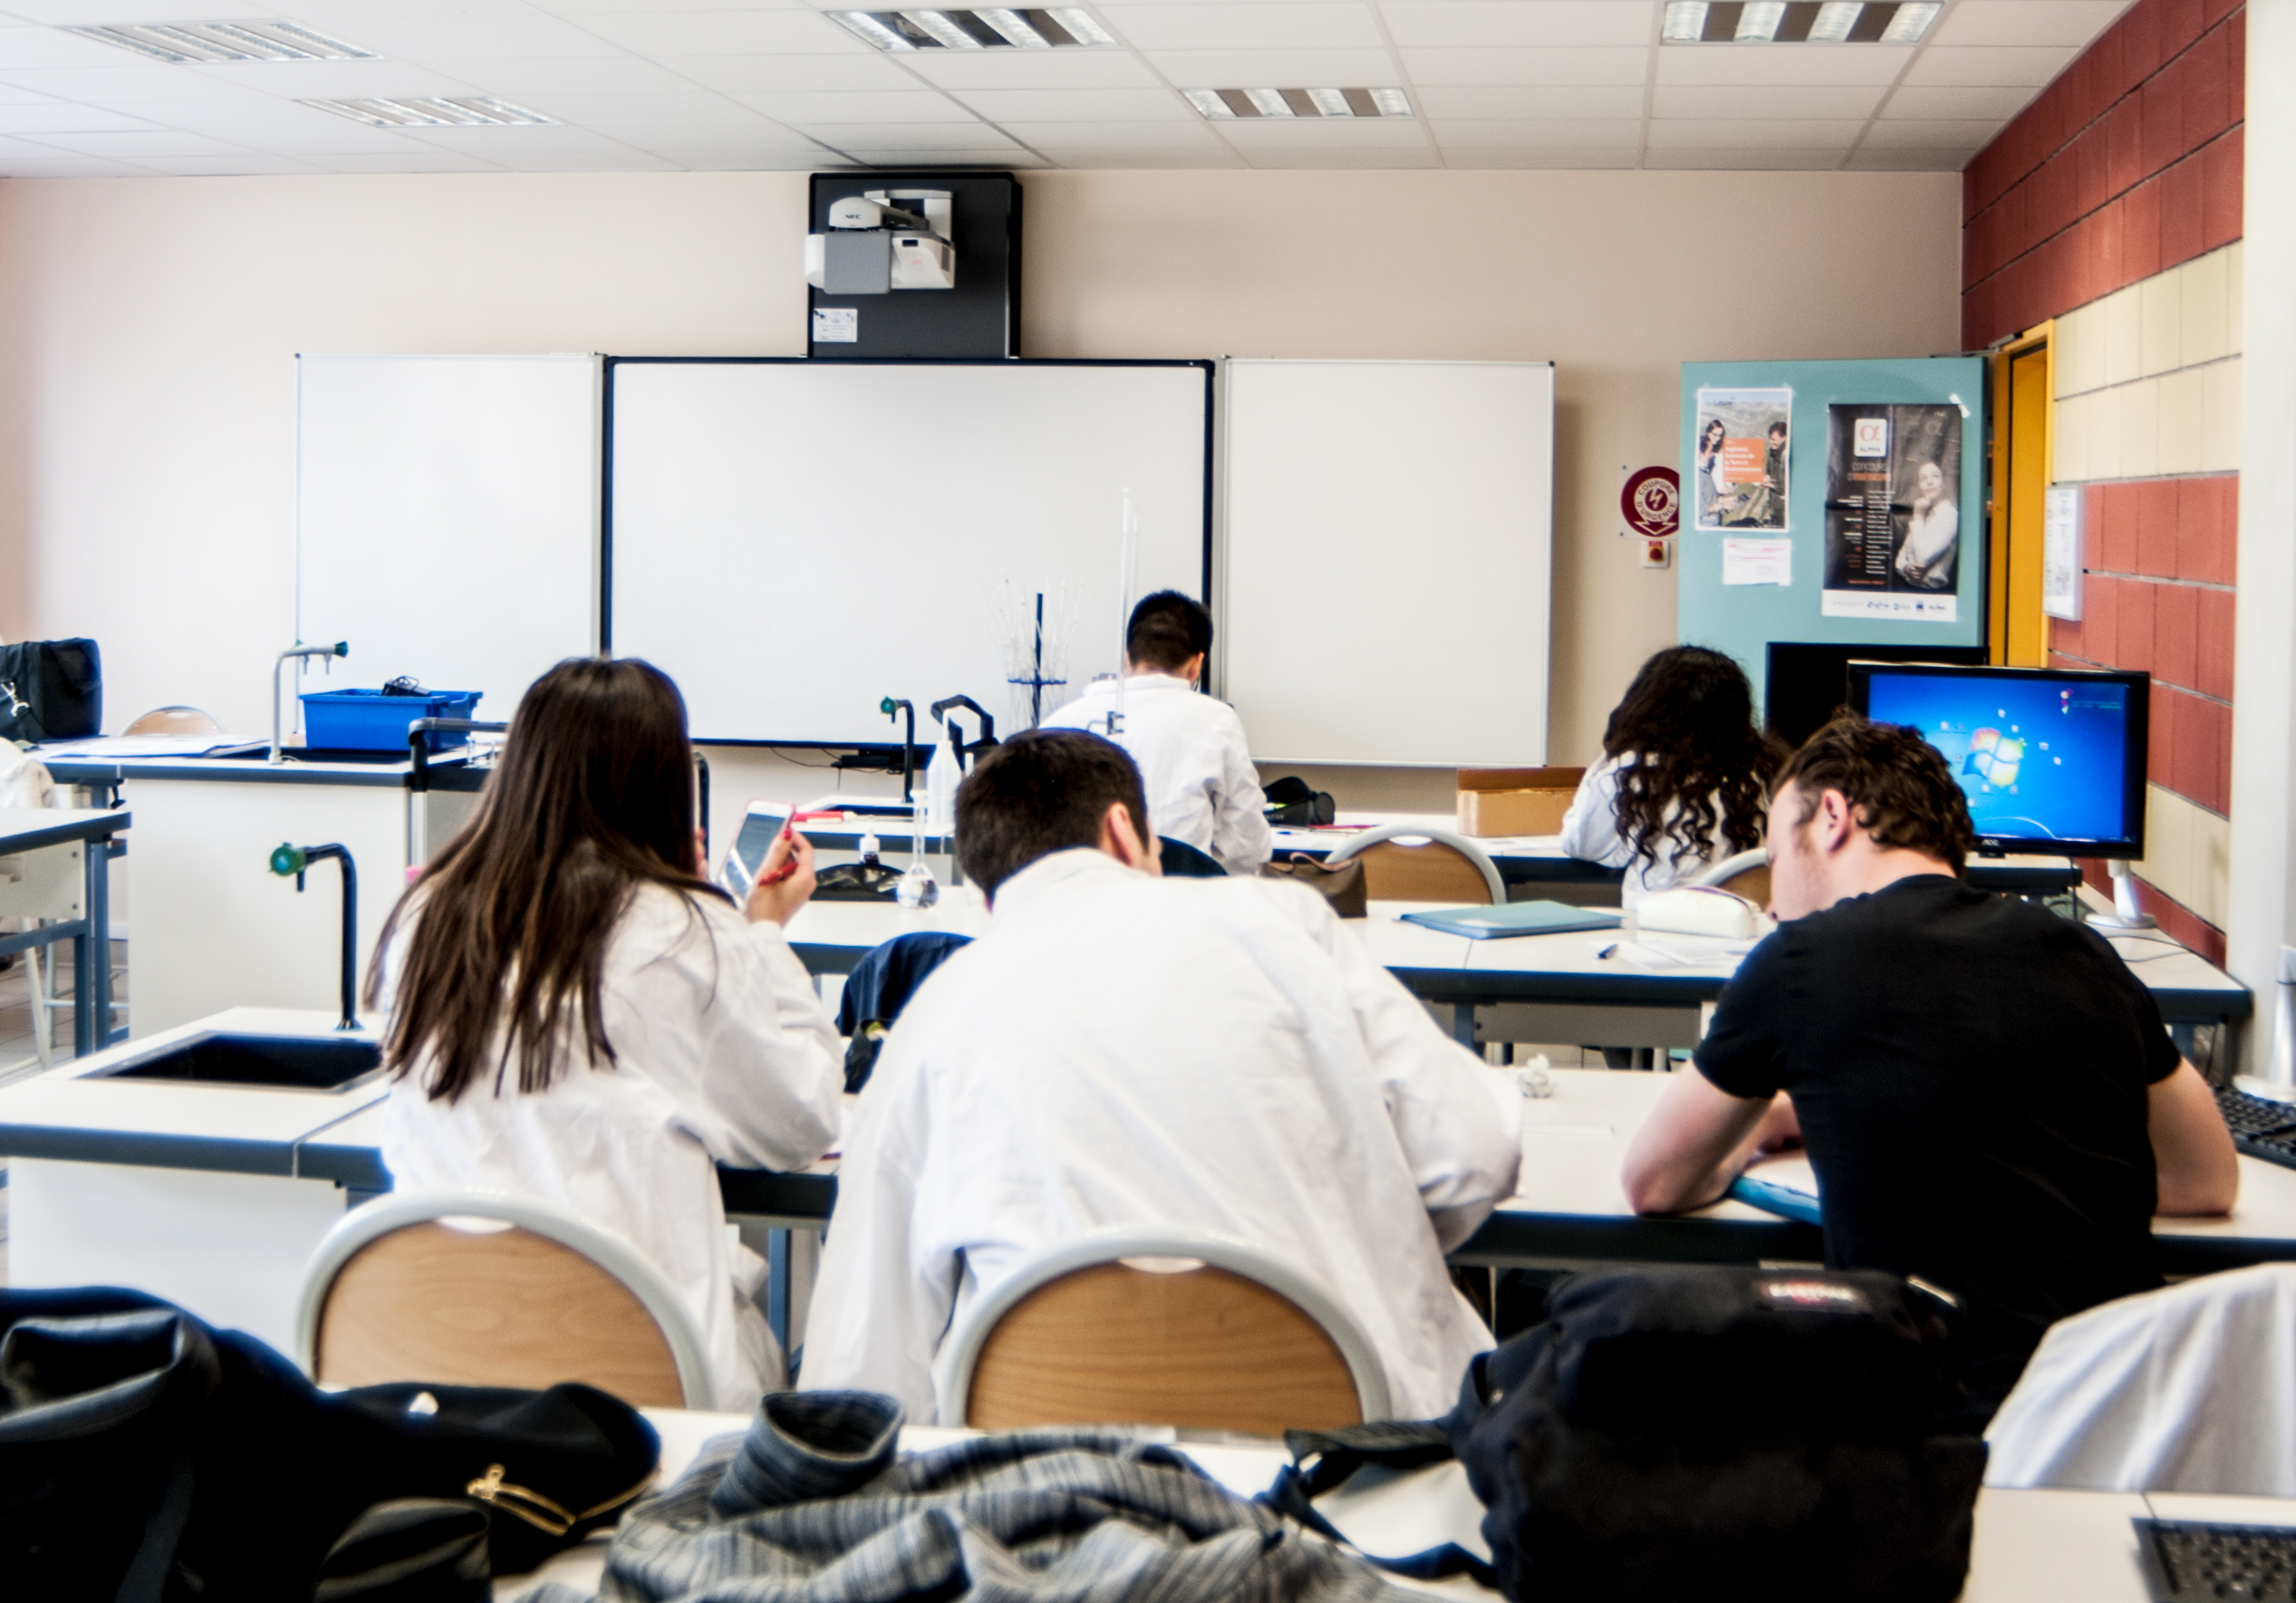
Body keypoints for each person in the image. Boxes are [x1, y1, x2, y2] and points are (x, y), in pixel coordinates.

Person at [798, 730, 1519, 1421]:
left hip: (1053, 1502)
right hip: (1355, 1484)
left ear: (988, 899)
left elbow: (861, 1369)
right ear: (1122, 831)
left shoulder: (936, 1015)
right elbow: (1477, 1154)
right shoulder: (1283, 923)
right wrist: (1364, 1234)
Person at [1619, 718, 2241, 1417]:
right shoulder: (2084, 953)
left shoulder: (1801, 960)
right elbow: (2207, 1180)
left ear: (1831, 816)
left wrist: (1750, 1135)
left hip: (1935, 1415)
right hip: (2124, 1414)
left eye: (1774, 854)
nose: (1771, 896)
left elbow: (1654, 1182)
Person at [369, 657, 841, 1395]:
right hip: (639, 1386)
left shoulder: (424, 918)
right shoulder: (682, 933)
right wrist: (760, 933)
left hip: (443, 1370)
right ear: (662, 782)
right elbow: (801, 1120)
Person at [1035, 589, 1269, 875]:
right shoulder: (1216, 720)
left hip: (1081, 901)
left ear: (1126, 658)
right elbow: (1245, 839)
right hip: (1181, 900)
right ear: (1196, 664)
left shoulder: (1060, 722)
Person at [1555, 643, 1775, 895]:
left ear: (1648, 706)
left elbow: (1580, 844)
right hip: (1746, 928)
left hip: (1657, 927)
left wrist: (1612, 753)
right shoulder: (1767, 773)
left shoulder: (1634, 772)